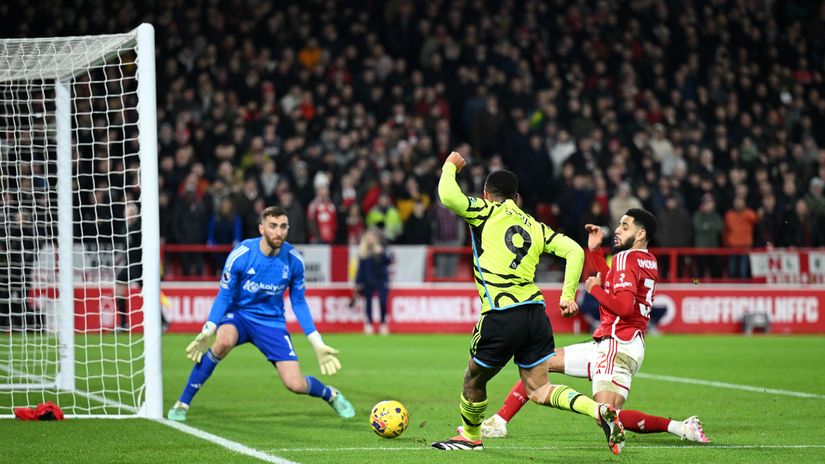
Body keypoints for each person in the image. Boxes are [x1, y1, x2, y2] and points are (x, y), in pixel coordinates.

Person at [431, 151, 626, 455]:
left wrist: (449, 166)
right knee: (538, 388)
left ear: (487, 194)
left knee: (474, 378)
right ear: (517, 198)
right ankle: (597, 410)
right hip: (536, 315)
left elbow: (447, 195)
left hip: (501, 313)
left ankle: (470, 436)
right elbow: (575, 251)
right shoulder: (535, 226)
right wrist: (566, 296)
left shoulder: (484, 211)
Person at [470, 209, 709, 443]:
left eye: (625, 226)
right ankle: (499, 421)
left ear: (640, 234)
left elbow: (624, 307)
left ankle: (680, 427)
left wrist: (593, 289)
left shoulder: (626, 257)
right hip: (619, 343)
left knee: (605, 415)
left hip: (617, 345)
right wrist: (595, 251)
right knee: (541, 363)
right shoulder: (648, 260)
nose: (617, 229)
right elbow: (615, 282)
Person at [166, 206, 355, 422]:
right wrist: (209, 327)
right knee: (223, 342)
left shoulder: (294, 260)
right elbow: (224, 296)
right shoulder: (242, 255)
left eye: (283, 226)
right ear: (261, 229)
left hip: (271, 323)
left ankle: (331, 394)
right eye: (272, 226)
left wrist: (316, 342)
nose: (278, 232)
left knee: (295, 384)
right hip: (238, 315)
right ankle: (182, 403)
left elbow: (299, 302)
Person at [355, 229, 392, 335]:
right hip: (368, 280)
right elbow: (360, 269)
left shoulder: (381, 249)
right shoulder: (363, 252)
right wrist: (358, 282)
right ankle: (369, 324)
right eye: (368, 237)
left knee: (383, 301)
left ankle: (383, 323)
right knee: (368, 303)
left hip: (381, 279)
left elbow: (388, 261)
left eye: (372, 237)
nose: (370, 239)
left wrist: (381, 253)